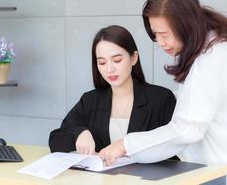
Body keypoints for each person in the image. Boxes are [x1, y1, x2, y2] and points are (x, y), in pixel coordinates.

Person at [98, 0, 227, 185]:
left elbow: (188, 129)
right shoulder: (224, 43)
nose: (160, 42)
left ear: (186, 25)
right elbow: (200, 100)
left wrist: (125, 145)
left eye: (165, 34)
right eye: (155, 34)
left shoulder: (215, 57)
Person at [49, 25, 178, 160]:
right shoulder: (90, 100)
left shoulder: (161, 99)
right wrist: (79, 133)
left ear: (134, 58)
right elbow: (55, 140)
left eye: (117, 60)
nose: (110, 69)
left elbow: (176, 150)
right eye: (102, 62)